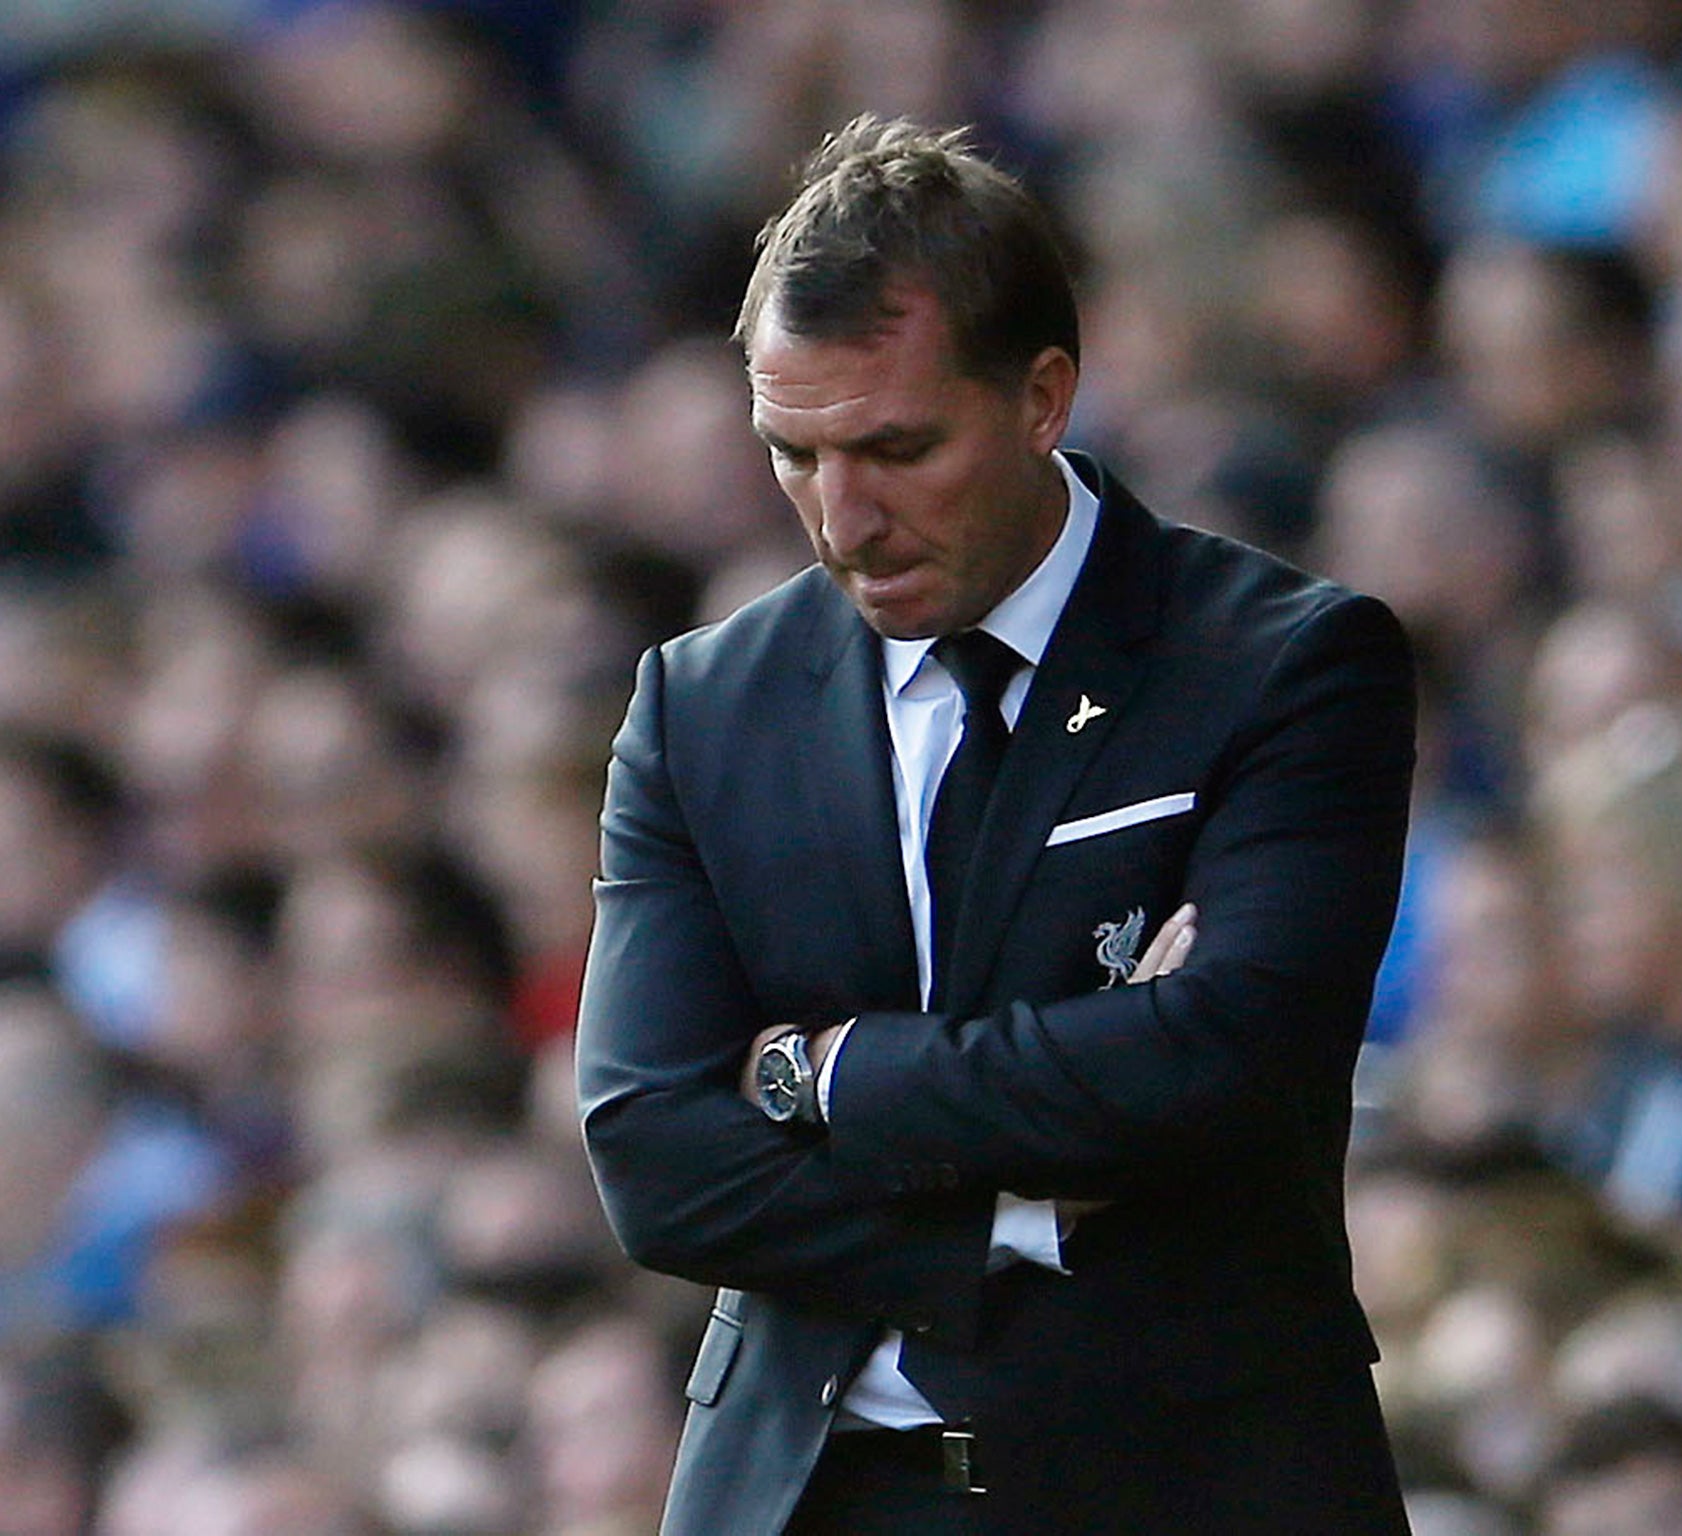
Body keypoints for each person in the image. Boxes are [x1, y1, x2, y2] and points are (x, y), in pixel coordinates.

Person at [575, 116, 1417, 1534]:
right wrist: (1011, 1216)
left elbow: (1223, 1058)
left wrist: (824, 1080)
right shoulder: (703, 702)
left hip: (1184, 1491)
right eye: (793, 454)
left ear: (1043, 398)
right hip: (814, 1495)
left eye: (898, 448)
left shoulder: (1277, 663)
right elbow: (652, 1151)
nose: (843, 519)